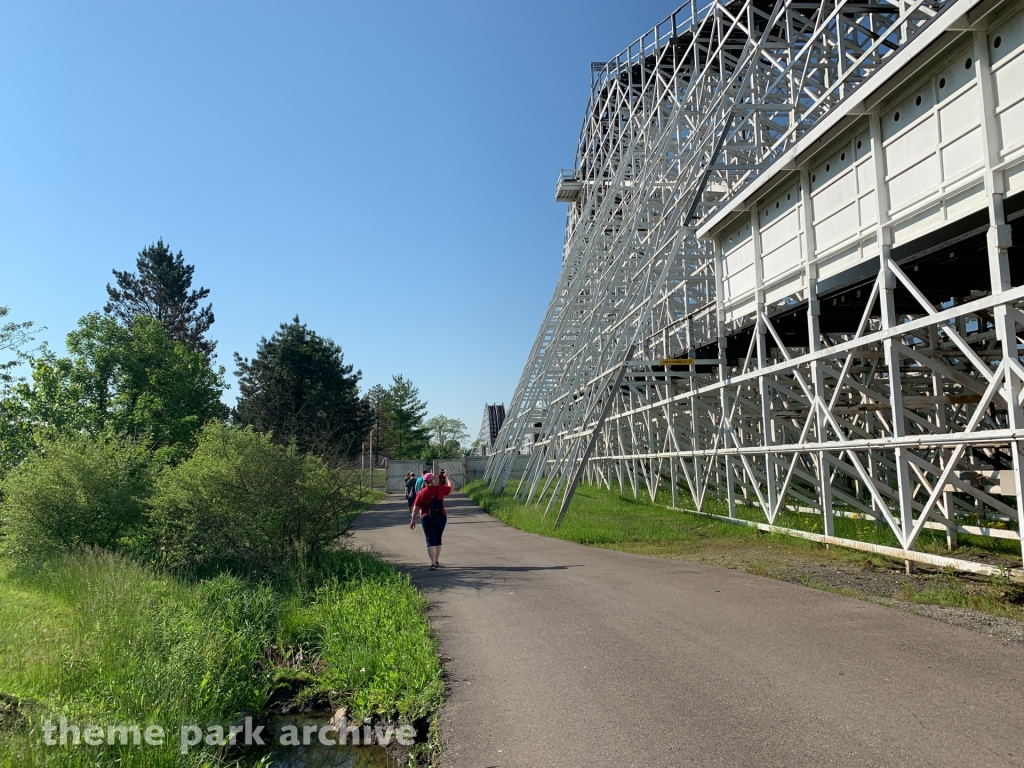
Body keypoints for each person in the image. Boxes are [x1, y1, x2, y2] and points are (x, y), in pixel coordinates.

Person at [410, 471, 453, 570]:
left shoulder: (421, 493)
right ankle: (436, 560)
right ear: (433, 480)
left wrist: (412, 520)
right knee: (438, 538)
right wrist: (447, 478)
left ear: (424, 481)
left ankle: (433, 562)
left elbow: (415, 508)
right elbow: (451, 489)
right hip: (441, 517)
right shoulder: (440, 488)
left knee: (430, 540)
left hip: (427, 518)